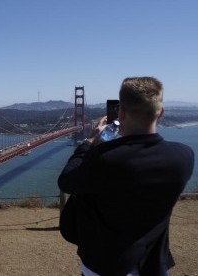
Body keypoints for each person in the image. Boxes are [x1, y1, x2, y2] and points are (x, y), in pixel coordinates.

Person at [58, 77, 194, 275]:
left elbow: (67, 181)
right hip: (154, 266)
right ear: (161, 112)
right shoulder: (183, 157)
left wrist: (89, 142)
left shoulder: (104, 159)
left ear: (120, 112)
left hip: (104, 266)